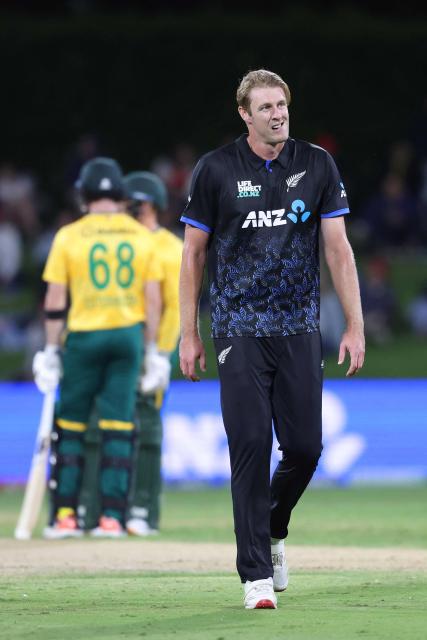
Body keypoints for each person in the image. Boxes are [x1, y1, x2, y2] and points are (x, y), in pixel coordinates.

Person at [179, 69, 365, 610]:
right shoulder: (215, 170)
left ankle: (273, 525)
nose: (277, 114)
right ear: (245, 114)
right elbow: (192, 255)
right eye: (265, 107)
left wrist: (353, 324)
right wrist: (189, 333)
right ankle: (255, 574)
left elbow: (338, 250)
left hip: (299, 327)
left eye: (282, 104)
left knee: (306, 448)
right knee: (251, 444)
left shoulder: (316, 165)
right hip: (238, 327)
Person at [33, 157, 162, 539]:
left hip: (85, 335)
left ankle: (67, 517)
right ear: (120, 194)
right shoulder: (141, 235)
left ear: (84, 195)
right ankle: (111, 518)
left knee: (71, 425)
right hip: (126, 336)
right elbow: (152, 298)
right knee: (119, 424)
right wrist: (152, 349)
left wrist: (51, 349)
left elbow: (56, 299)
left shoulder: (70, 235)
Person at [123, 171, 183, 535]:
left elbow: (175, 307)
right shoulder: (120, 243)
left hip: (153, 349)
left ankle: (144, 510)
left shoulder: (170, 247)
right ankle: (110, 508)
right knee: (111, 427)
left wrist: (161, 353)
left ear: (155, 206)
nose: (132, 210)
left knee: (145, 425)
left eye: (139, 204)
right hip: (120, 345)